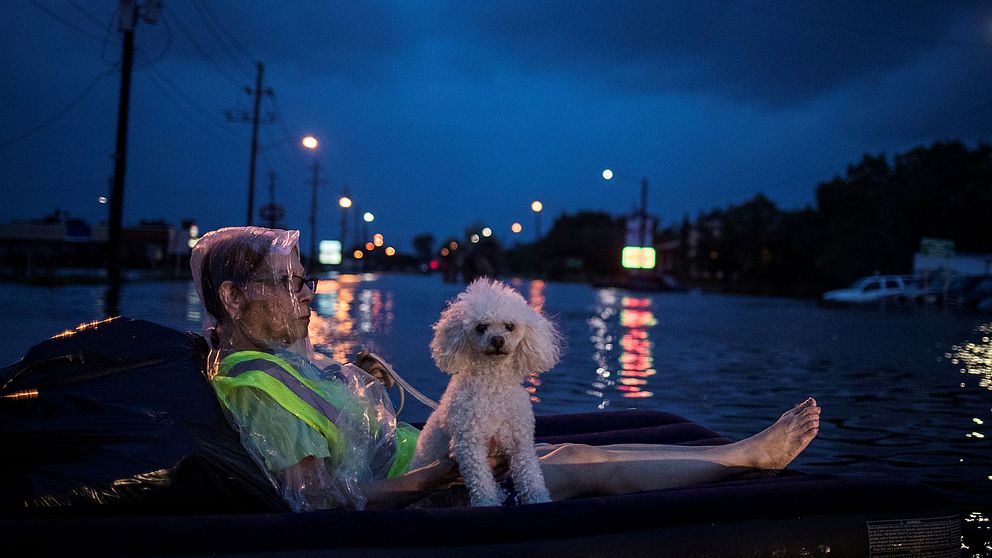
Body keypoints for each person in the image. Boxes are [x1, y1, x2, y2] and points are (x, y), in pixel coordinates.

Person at [191, 226, 821, 511]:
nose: (309, 295)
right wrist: (439, 476)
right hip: (419, 494)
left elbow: (337, 434)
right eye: (292, 283)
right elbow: (320, 504)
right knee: (570, 464)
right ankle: (748, 458)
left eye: (308, 281)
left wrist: (363, 380)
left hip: (414, 460)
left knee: (569, 446)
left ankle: (738, 454)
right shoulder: (254, 386)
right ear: (234, 299)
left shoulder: (274, 362)